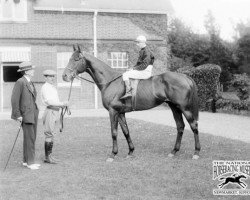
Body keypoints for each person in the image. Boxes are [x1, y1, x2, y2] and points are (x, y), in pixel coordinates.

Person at [11, 61, 40, 170]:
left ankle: (25, 160)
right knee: (30, 138)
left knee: (30, 138)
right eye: (31, 69)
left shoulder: (30, 82)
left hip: (32, 114)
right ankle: (30, 163)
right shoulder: (20, 82)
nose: (33, 70)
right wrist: (18, 115)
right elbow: (14, 100)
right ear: (27, 71)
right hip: (26, 115)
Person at [41, 70, 69, 164]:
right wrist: (62, 104)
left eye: (53, 76)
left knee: (52, 134)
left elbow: (54, 100)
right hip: (50, 111)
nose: (52, 78)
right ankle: (47, 157)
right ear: (45, 77)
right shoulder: (45, 87)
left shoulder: (52, 87)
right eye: (49, 76)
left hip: (55, 111)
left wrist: (61, 105)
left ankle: (50, 156)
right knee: (49, 134)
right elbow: (49, 102)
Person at [120, 35, 155, 100]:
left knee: (125, 75)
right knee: (128, 72)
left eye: (138, 43)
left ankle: (128, 92)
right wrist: (132, 68)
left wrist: (134, 69)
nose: (137, 44)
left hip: (145, 72)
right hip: (143, 70)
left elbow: (144, 65)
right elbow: (139, 64)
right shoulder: (143, 51)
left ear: (142, 42)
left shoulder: (146, 51)